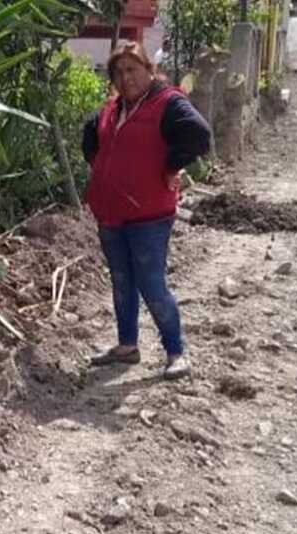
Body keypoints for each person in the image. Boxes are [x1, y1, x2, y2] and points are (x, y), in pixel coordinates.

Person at [82, 41, 211, 381]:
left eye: (132, 70)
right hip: (111, 212)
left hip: (149, 216)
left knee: (151, 284)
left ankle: (176, 351)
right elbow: (90, 135)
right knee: (122, 282)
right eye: (119, 72)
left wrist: (171, 165)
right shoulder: (113, 108)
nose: (126, 78)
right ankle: (127, 346)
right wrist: (100, 169)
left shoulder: (166, 104)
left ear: (149, 71)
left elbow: (199, 136)